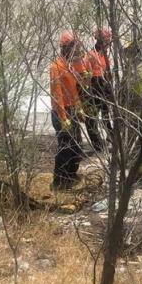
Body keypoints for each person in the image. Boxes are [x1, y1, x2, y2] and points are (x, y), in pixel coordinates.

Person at [50, 31, 85, 190]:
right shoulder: (56, 66)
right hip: (61, 112)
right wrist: (63, 117)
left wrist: (79, 109)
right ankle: (58, 180)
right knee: (65, 146)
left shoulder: (70, 65)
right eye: (71, 46)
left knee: (77, 145)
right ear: (65, 47)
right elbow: (57, 94)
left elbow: (74, 91)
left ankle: (70, 174)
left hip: (71, 110)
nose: (74, 49)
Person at [73, 28, 110, 153]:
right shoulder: (90, 55)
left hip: (104, 87)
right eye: (106, 40)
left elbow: (107, 71)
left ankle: (111, 138)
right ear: (100, 40)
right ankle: (97, 144)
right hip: (93, 88)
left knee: (106, 115)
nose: (108, 43)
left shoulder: (105, 55)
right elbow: (83, 75)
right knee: (91, 118)